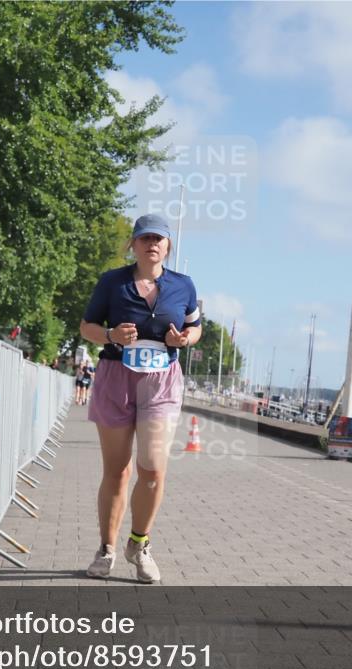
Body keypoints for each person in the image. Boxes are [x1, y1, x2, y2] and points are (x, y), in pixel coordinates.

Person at [78, 213, 201, 583]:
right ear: (132, 244)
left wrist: (185, 340)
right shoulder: (112, 283)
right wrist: (112, 335)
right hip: (116, 377)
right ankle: (107, 549)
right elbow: (87, 328)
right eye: (145, 237)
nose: (152, 243)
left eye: (159, 239)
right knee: (117, 471)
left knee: (152, 468)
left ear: (168, 246)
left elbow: (195, 327)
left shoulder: (183, 285)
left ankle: (139, 544)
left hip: (162, 380)